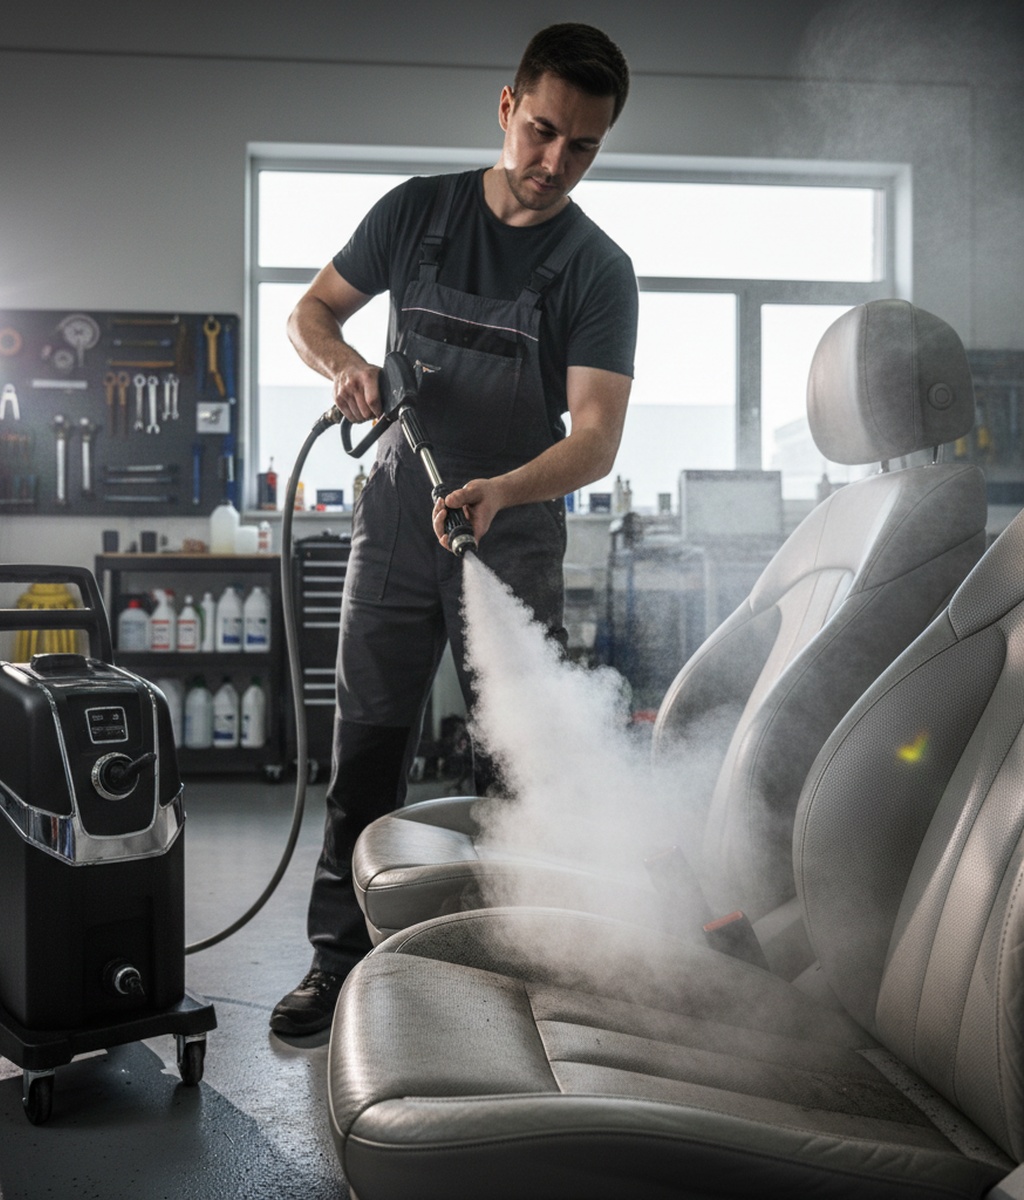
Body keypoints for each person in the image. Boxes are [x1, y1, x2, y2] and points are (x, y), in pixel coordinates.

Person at [271, 22, 638, 1035]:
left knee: (515, 771)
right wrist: (340, 363)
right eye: (545, 132)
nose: (556, 164)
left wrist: (506, 488)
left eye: (585, 148)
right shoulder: (416, 212)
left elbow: (598, 438)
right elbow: (309, 313)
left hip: (509, 533)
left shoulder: (597, 269)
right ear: (507, 105)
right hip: (393, 523)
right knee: (366, 758)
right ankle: (337, 959)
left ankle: (517, 972)